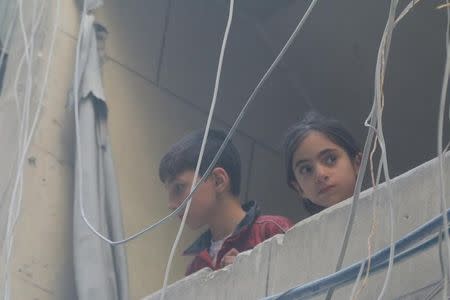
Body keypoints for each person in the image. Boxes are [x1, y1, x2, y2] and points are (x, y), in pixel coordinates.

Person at [159, 129, 293, 276]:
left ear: (218, 181)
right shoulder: (195, 268)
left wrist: (254, 274)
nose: (170, 204)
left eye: (179, 187)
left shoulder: (272, 231)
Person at [283, 111, 362, 215]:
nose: (320, 174)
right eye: (306, 169)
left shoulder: (388, 210)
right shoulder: (305, 231)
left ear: (357, 164)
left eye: (330, 159)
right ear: (299, 188)